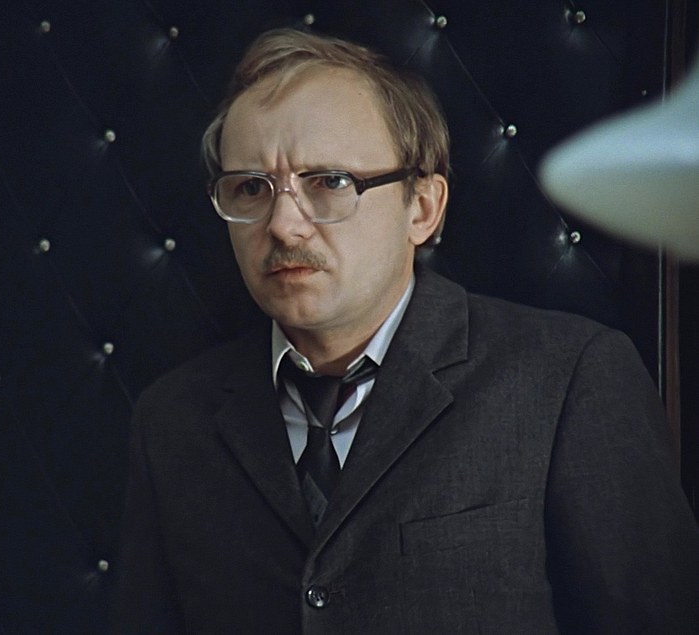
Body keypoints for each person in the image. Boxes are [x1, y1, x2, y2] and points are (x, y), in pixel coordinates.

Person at [113, 28, 699, 634]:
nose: (284, 224)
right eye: (250, 188)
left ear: (422, 208)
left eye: (330, 181)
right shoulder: (172, 420)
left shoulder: (568, 378)